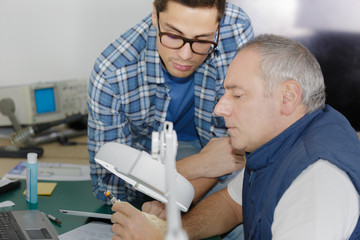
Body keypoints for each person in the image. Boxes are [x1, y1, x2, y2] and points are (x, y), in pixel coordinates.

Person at [110, 34, 360, 240]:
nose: (219, 109)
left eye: (237, 95)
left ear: (288, 97)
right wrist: (170, 232)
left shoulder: (317, 182)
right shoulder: (281, 141)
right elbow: (232, 205)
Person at [87, 0, 252, 206]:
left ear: (218, 25)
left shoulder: (234, 27)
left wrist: (212, 166)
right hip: (154, 157)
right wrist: (195, 166)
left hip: (210, 148)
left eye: (203, 40)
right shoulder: (112, 74)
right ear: (155, 15)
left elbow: (232, 153)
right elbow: (108, 186)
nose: (185, 56)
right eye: (173, 36)